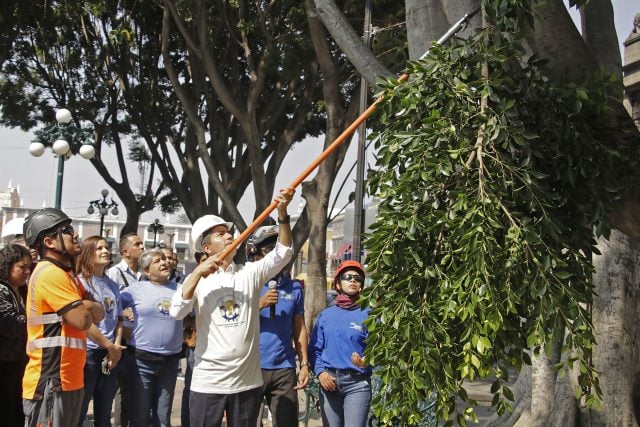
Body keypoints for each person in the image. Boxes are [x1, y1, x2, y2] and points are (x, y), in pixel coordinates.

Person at [169, 188, 294, 427]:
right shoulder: (197, 280)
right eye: (220, 234)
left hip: (247, 383)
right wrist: (197, 273)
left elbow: (284, 252)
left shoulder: (250, 272)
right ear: (206, 248)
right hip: (208, 383)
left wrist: (283, 213)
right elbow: (177, 311)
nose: (229, 237)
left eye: (229, 233)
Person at [21, 208, 105, 427]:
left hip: (69, 380)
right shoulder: (50, 273)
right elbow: (84, 320)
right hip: (50, 381)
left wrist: (86, 306)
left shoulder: (69, 276)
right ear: (49, 242)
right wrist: (87, 305)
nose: (75, 234)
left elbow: (99, 313)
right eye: (67, 230)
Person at [247, 225, 309, 426]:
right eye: (269, 249)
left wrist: (304, 363)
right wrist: (259, 304)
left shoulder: (294, 288)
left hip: (284, 367)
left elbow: (299, 328)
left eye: (279, 250)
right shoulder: (245, 281)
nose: (277, 256)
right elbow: (232, 318)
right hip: (250, 366)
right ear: (254, 252)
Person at [122, 248, 183, 427]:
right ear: (146, 271)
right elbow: (112, 308)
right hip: (141, 361)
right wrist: (125, 324)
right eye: (157, 261)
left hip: (170, 363)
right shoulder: (134, 290)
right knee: (139, 416)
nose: (164, 263)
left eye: (164, 259)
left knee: (163, 418)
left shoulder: (181, 290)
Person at [309, 260, 372, 427]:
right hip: (330, 384)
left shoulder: (369, 314)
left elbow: (380, 348)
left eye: (357, 278)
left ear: (361, 285)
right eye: (348, 277)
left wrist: (368, 359)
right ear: (338, 282)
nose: (353, 280)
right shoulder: (326, 315)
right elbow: (314, 349)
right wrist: (321, 373)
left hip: (357, 384)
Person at [76, 236, 126, 427]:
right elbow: (83, 321)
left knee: (104, 410)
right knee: (80, 407)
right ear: (88, 252)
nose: (105, 251)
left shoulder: (112, 284)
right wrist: (107, 345)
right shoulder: (80, 282)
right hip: (88, 352)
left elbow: (119, 318)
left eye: (106, 247)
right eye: (99, 248)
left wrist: (115, 347)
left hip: (110, 354)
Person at [107, 232, 143, 427]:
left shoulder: (144, 274)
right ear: (125, 251)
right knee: (119, 387)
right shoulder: (114, 273)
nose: (142, 247)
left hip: (139, 337)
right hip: (121, 338)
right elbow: (110, 305)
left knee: (132, 387)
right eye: (137, 244)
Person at [0, 244, 31, 426]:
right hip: (4, 365)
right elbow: (9, 324)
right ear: (7, 266)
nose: (27, 271)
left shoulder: (22, 290)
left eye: (29, 267)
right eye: (22, 267)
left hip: (18, 363)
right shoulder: (2, 290)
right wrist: (36, 318)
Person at [180, 251, 207, 427]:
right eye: (205, 260)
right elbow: (183, 313)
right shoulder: (193, 282)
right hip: (196, 344)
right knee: (191, 388)